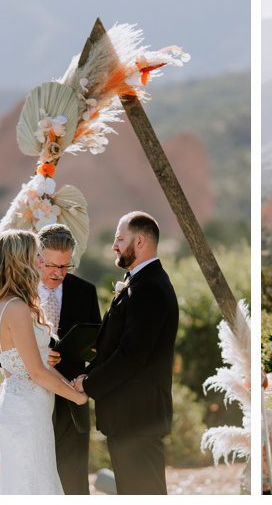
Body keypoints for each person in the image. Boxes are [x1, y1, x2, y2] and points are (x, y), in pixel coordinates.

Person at [72, 212, 178, 494]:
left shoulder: (150, 288)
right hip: (129, 417)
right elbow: (115, 346)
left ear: (140, 241)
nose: (114, 246)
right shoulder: (140, 283)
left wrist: (89, 384)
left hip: (138, 417)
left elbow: (131, 355)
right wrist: (88, 373)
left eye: (120, 239)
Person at [0, 229, 88, 495]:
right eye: (37, 255)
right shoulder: (16, 308)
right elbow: (37, 372)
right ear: (21, 261)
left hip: (25, 408)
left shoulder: (7, 303)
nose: (41, 261)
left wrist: (70, 385)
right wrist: (78, 397)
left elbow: (33, 365)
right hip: (26, 414)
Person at [36, 223, 100, 495]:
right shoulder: (19, 292)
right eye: (52, 265)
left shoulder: (85, 292)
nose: (58, 273)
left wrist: (88, 372)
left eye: (65, 266)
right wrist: (34, 356)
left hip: (73, 404)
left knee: (74, 488)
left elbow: (98, 346)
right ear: (37, 258)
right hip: (32, 403)